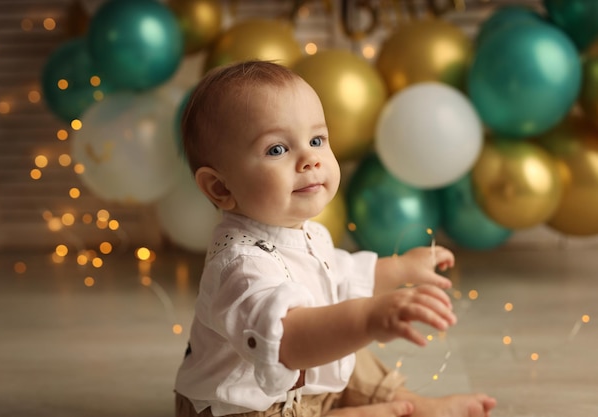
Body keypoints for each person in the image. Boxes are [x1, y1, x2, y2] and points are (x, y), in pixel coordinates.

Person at [174, 60, 497, 417]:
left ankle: (411, 404)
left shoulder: (309, 233)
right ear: (221, 187)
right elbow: (289, 341)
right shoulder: (241, 266)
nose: (310, 159)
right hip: (245, 407)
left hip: (304, 387)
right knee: (345, 329)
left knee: (352, 352)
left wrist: (402, 267)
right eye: (277, 149)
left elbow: (340, 275)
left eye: (316, 140)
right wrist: (368, 318)